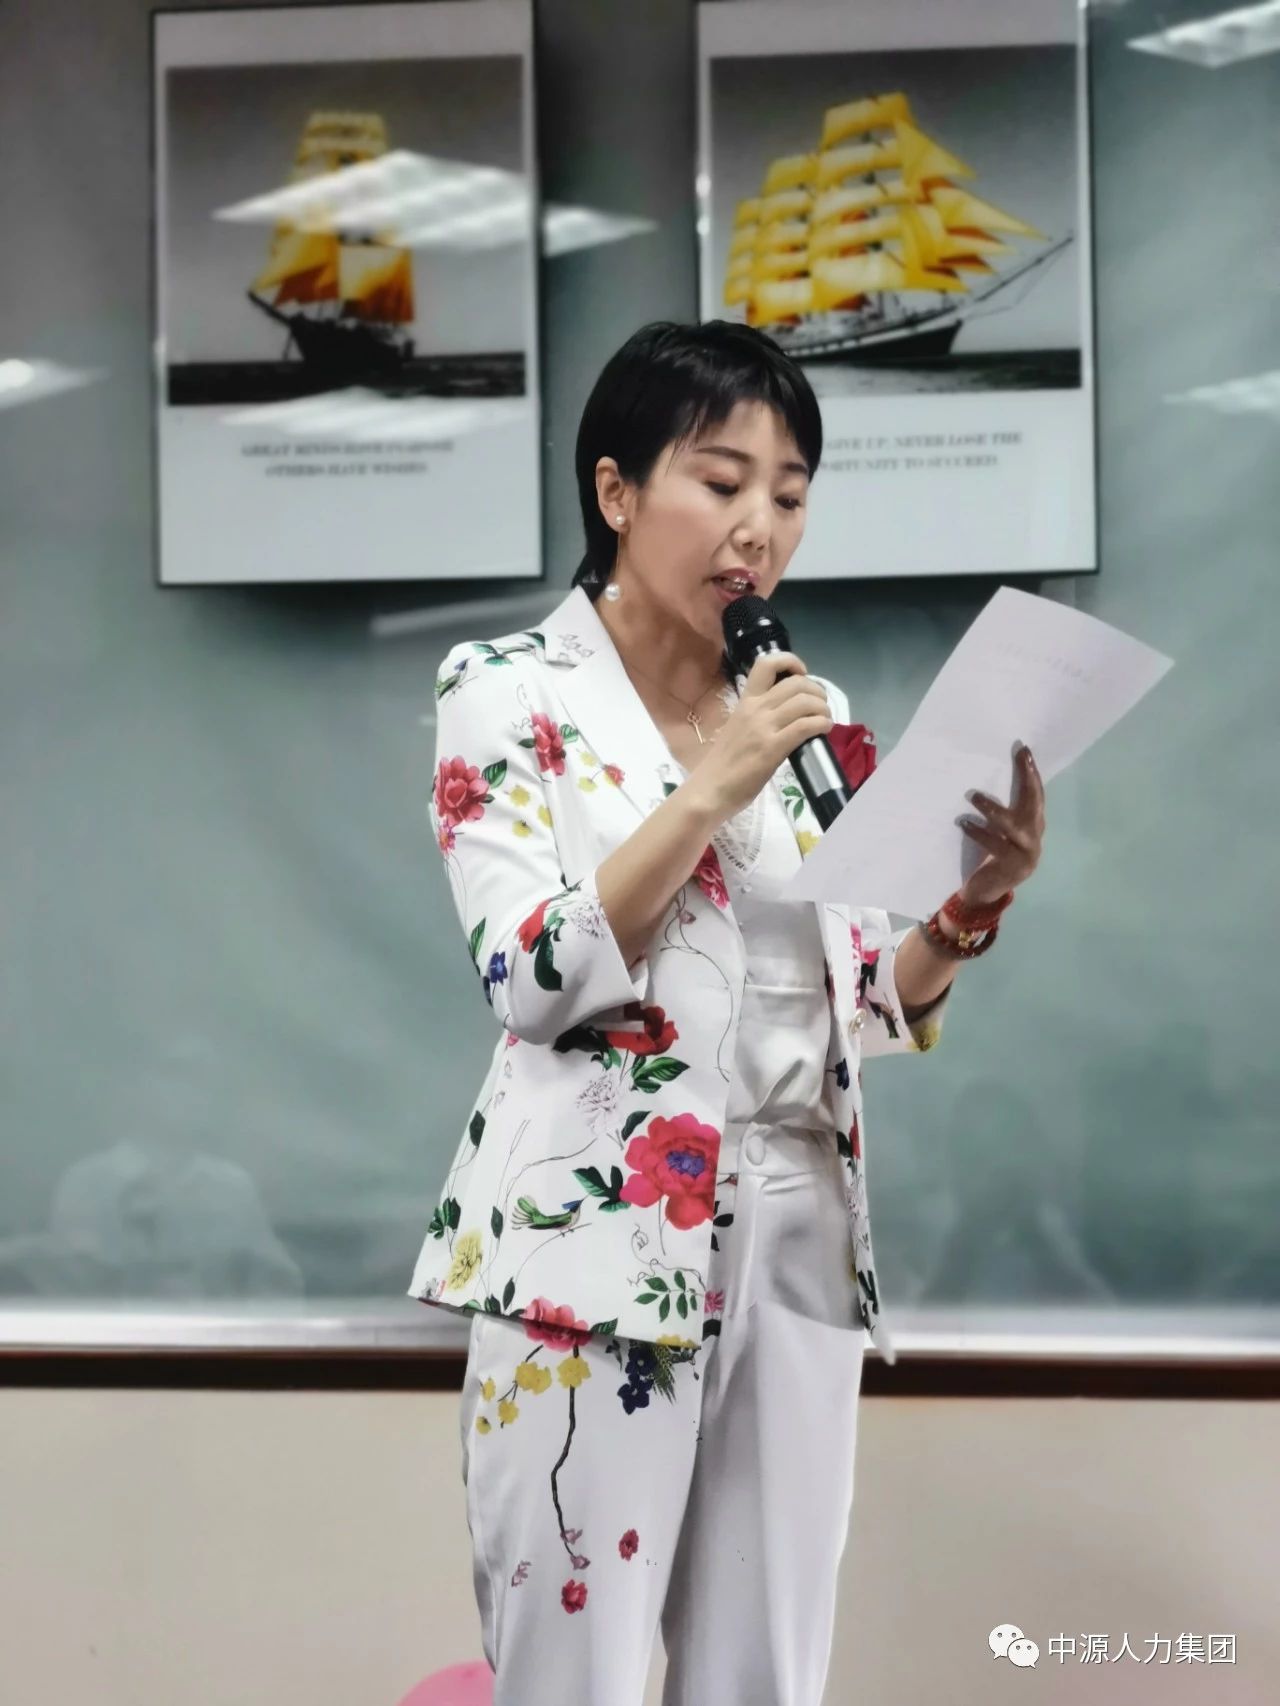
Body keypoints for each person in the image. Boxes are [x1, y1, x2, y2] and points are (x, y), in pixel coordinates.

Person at [408, 320, 1045, 1705]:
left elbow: (857, 1003)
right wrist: (709, 786)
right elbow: (532, 977)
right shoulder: (506, 689)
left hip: (801, 1242)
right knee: (574, 1670)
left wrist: (967, 908)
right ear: (616, 490)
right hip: (593, 1247)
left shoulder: (806, 714)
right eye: (722, 480)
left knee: (768, 1672)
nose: (760, 525)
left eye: (791, 493)